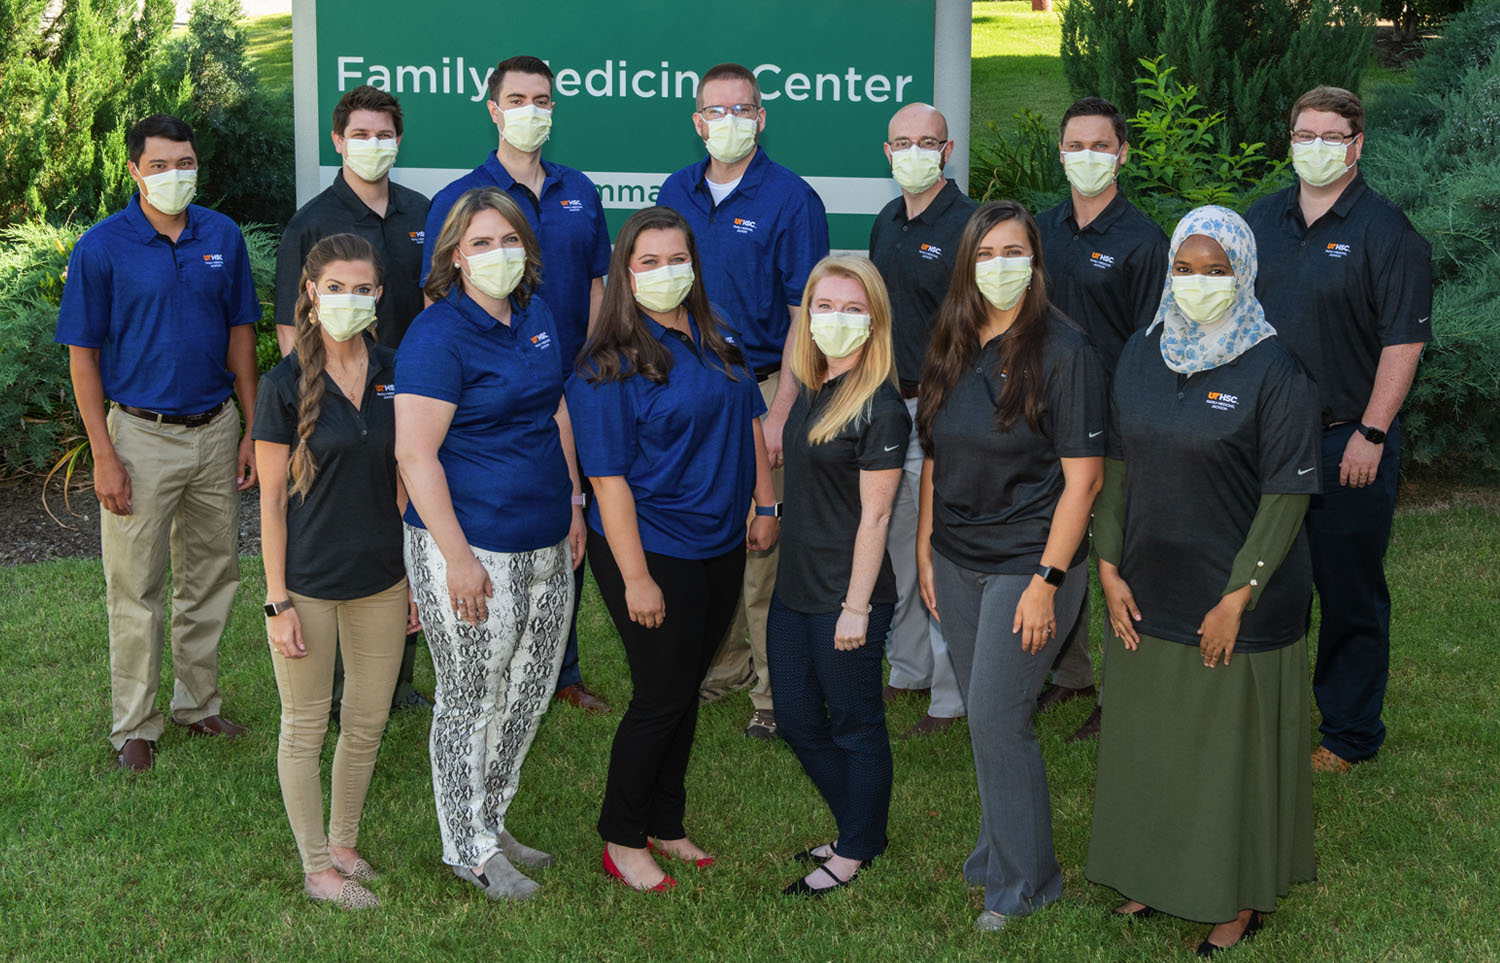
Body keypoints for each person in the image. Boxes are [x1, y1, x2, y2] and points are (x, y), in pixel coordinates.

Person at [1086, 206, 1320, 957]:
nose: (1197, 283)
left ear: (1244, 274)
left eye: (1215, 270)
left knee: (1225, 757)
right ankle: (1152, 870)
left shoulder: (1275, 369)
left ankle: (1237, 898)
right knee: (1152, 742)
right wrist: (1108, 564)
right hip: (1149, 586)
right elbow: (1117, 468)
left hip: (1239, 597)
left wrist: (1236, 596)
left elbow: (1286, 495)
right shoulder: (1141, 353)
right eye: (1184, 269)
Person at [566, 207, 778, 892]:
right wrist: (636, 578)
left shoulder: (718, 339)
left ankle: (667, 819)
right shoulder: (607, 367)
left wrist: (765, 502)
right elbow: (608, 482)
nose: (665, 273)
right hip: (651, 547)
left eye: (676, 258)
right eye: (648, 262)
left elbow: (751, 420)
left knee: (684, 687)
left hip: (720, 541)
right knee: (659, 695)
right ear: (626, 274)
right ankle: (621, 838)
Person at [914, 201, 1106, 931]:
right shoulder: (953, 339)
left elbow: (1084, 480)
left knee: (998, 716)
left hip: (1031, 563)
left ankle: (1025, 884)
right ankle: (999, 847)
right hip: (957, 559)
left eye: (1015, 250)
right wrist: (929, 547)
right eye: (987, 252)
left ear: (1036, 261)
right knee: (986, 720)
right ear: (968, 264)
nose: (1001, 264)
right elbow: (934, 450)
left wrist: (1047, 583)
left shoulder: (1065, 351)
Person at [395, 187, 587, 901]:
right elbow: (415, 456)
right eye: (480, 243)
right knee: (471, 695)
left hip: (545, 535)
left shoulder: (536, 317)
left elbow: (556, 408)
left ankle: (492, 816)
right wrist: (458, 558)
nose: (497, 255)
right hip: (471, 544)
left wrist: (572, 502)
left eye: (508, 241)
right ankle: (466, 846)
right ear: (453, 256)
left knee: (528, 691)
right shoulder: (436, 335)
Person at [56, 114, 259, 773]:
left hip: (216, 426)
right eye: (163, 164)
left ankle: (198, 704)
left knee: (211, 575)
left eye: (187, 162)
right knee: (135, 586)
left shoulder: (221, 236)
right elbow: (82, 358)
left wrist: (253, 427)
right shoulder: (102, 246)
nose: (178, 174)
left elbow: (241, 338)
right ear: (134, 171)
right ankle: (134, 726)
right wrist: (104, 455)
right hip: (139, 436)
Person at [1244, 86, 1432, 774]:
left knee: (1348, 589)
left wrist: (1373, 433)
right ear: (1288, 139)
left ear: (1357, 146)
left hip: (1346, 439)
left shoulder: (1388, 232)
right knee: (1266, 581)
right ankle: (1270, 710)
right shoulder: (1260, 220)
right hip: (1266, 439)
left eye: (1331, 136)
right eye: (1304, 133)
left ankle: (1350, 732)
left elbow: (1402, 342)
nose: (1315, 147)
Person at [421, 54, 612, 715]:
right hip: (488, 393)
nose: (533, 109)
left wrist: (591, 367)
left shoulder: (579, 190)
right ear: (494, 109)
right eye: (519, 98)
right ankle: (488, 657)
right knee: (494, 519)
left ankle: (561, 667)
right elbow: (436, 305)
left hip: (565, 388)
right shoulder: (460, 198)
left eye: (544, 99)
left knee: (567, 520)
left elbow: (594, 287)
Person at [657, 62, 831, 740]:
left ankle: (772, 693)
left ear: (762, 118)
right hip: (693, 388)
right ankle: (723, 666)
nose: (729, 121)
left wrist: (782, 410)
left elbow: (804, 317)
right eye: (716, 110)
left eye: (743, 109)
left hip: (762, 387)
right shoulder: (677, 189)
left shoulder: (792, 200)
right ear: (698, 120)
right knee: (709, 531)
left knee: (763, 542)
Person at [255, 234, 416, 910]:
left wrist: (410, 577)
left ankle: (345, 844)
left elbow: (406, 479)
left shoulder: (395, 369)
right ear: (312, 293)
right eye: (336, 287)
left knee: (368, 719)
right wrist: (276, 602)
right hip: (308, 585)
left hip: (380, 579)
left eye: (363, 288)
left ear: (379, 295)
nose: (349, 299)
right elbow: (268, 503)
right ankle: (317, 867)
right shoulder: (282, 385)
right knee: (304, 724)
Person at [274, 84, 433, 714]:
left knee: (404, 530)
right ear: (338, 142)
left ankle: (395, 680)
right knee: (342, 535)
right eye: (360, 134)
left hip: (408, 398)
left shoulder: (424, 212)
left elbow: (436, 308)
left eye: (384, 133)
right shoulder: (311, 219)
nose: (374, 145)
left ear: (399, 140)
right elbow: (292, 327)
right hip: (335, 403)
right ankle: (339, 687)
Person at [769, 255, 909, 896]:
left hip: (846, 596)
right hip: (794, 587)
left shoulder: (881, 407)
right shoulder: (811, 385)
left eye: (853, 308)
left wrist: (856, 607)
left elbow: (876, 517)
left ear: (875, 320)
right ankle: (863, 825)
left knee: (856, 725)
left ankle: (855, 847)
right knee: (797, 720)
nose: (836, 320)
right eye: (825, 307)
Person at [1034, 96, 1170, 743]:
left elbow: (1153, 348)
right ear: (1059, 153)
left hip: (1115, 431)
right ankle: (1068, 669)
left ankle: (1122, 693)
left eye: (1099, 146)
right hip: (1043, 426)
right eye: (1074, 146)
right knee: (1053, 550)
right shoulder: (1038, 231)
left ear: (1122, 154)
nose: (1085, 156)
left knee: (1118, 558)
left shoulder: (1145, 243)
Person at [868, 102, 976, 740]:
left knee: (939, 551)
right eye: (901, 142)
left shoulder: (968, 226)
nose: (913, 152)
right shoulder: (887, 221)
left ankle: (950, 694)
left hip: (943, 409)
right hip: (889, 405)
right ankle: (906, 668)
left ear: (948, 148)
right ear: (886, 152)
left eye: (926, 142)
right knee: (897, 550)